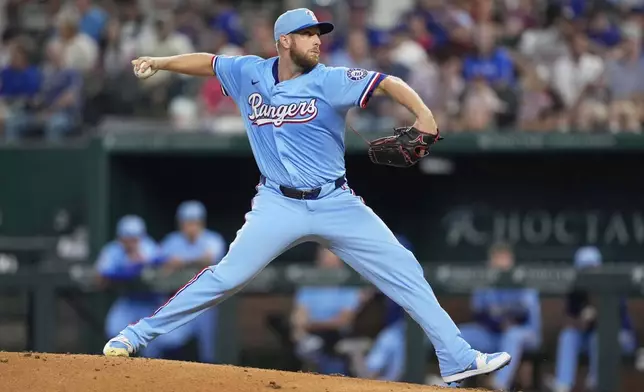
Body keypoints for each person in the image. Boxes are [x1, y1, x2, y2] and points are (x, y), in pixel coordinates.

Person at [103, 8, 510, 385]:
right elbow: (208, 62)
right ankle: (135, 335)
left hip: (335, 202)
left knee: (403, 268)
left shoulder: (329, 79)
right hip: (277, 203)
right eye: (307, 34)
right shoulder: (249, 72)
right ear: (284, 41)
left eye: (319, 34)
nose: (317, 40)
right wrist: (160, 62)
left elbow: (388, 83)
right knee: (226, 276)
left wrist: (426, 117)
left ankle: (456, 357)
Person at [96, 215, 205, 360]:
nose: (131, 243)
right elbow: (104, 273)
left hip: (151, 301)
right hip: (129, 301)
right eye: (127, 238)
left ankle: (155, 372)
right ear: (121, 238)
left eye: (135, 238)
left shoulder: (148, 247)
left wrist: (149, 263)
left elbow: (163, 261)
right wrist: (132, 267)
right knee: (114, 330)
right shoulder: (113, 250)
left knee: (164, 340)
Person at [551, 246, 636, 392]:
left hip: (620, 337)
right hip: (589, 337)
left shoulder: (611, 287)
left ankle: (596, 384)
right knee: (568, 336)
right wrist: (580, 322)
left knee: (599, 338)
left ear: (599, 267)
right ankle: (563, 385)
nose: (589, 273)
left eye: (591, 268)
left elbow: (615, 322)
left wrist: (597, 315)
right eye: (584, 269)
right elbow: (567, 318)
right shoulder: (576, 290)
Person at [457, 243, 541, 390]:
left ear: (511, 260)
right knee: (461, 334)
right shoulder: (485, 281)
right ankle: (453, 382)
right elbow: (478, 313)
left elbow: (524, 314)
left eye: (504, 258)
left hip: (525, 333)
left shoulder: (521, 279)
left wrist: (506, 319)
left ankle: (499, 385)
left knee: (512, 335)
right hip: (494, 333)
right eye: (496, 259)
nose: (500, 263)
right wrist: (497, 321)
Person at [156, 200, 228, 363]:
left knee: (208, 351)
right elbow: (159, 261)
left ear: (201, 222)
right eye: (187, 222)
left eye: (195, 222)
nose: (191, 226)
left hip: (207, 304)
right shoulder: (172, 241)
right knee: (167, 341)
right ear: (180, 223)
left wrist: (181, 262)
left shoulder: (212, 239)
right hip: (180, 302)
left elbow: (209, 258)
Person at [290, 246, 362, 375]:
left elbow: (343, 321)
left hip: (335, 336)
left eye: (333, 261)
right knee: (307, 343)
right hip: (311, 336)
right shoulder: (309, 285)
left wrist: (312, 325)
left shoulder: (348, 286)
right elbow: (300, 314)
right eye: (325, 261)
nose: (329, 265)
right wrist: (301, 328)